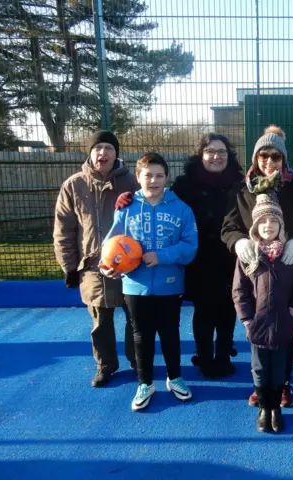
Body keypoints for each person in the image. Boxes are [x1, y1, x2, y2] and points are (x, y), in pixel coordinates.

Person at [117, 134, 244, 378]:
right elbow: (158, 198)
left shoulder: (239, 183)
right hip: (198, 259)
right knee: (205, 310)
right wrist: (131, 197)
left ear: (229, 156)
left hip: (231, 255)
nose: (216, 156)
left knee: (229, 309)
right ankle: (205, 357)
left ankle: (223, 355)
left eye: (222, 152)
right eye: (210, 151)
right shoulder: (186, 184)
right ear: (201, 154)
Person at [222, 125, 293, 407]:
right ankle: (260, 384)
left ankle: (284, 383)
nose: (269, 162)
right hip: (255, 273)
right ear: (255, 158)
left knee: (287, 330)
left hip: (288, 267)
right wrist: (239, 242)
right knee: (257, 330)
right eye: (263, 156)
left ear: (283, 159)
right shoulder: (241, 188)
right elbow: (229, 226)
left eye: (275, 157)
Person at [103, 153, 198, 411]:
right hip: (135, 285)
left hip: (170, 283)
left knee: (170, 332)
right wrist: (110, 265)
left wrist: (163, 256)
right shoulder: (127, 207)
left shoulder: (181, 209)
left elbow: (190, 247)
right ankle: (145, 383)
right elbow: (111, 243)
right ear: (138, 177)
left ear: (166, 178)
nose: (153, 181)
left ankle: (175, 377)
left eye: (159, 175)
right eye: (148, 175)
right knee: (140, 335)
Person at [53, 130, 138, 387]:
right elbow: (63, 230)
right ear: (90, 153)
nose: (103, 153)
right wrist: (69, 266)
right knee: (100, 320)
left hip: (130, 265)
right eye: (98, 148)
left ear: (116, 154)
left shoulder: (133, 183)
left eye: (109, 148)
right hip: (92, 267)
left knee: (135, 317)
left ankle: (138, 361)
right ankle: (106, 365)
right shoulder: (73, 185)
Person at [232, 194, 293, 433]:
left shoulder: (290, 255)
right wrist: (247, 319)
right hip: (258, 326)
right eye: (263, 221)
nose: (268, 226)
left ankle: (276, 407)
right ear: (256, 227)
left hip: (284, 325)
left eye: (273, 221)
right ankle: (264, 407)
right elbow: (239, 290)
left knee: (280, 369)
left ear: (281, 226)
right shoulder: (248, 256)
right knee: (259, 369)